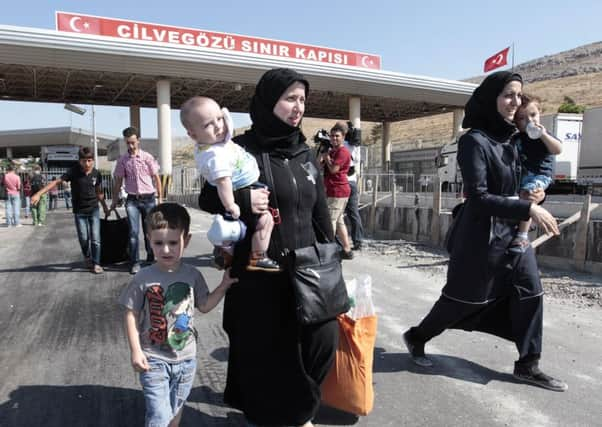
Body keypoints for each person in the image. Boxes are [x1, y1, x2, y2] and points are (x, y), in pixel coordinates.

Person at [403, 71, 568, 392]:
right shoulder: (473, 141)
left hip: (514, 237)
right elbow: (477, 198)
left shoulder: (515, 140)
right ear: (490, 98)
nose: (515, 102)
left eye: (519, 96)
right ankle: (418, 336)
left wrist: (536, 196)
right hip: (480, 238)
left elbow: (531, 177)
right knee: (461, 301)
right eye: (508, 94)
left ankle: (528, 364)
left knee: (530, 292)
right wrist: (527, 209)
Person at [198, 68, 337, 427]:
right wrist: (244, 198)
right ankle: (291, 415)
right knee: (270, 350)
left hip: (309, 268)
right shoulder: (240, 149)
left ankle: (299, 406)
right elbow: (207, 197)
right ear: (267, 101)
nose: (298, 107)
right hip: (261, 271)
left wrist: (334, 263)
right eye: (290, 98)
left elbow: (320, 210)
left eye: (303, 99)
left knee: (323, 341)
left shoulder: (304, 153)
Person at [119, 203, 236, 427]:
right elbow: (131, 313)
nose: (166, 250)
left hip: (186, 359)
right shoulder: (143, 277)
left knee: (175, 407)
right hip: (153, 359)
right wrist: (135, 351)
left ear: (187, 240)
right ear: (149, 239)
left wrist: (222, 286)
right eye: (159, 243)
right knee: (159, 416)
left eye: (173, 242)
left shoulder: (193, 275)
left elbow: (204, 305)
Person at [180, 96, 280, 272]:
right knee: (265, 220)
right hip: (244, 187)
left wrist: (220, 115)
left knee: (237, 229)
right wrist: (232, 204)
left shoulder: (218, 141)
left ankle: (224, 252)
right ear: (193, 134)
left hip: (247, 186)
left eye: (219, 119)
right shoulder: (214, 155)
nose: (218, 126)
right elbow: (223, 182)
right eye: (208, 125)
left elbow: (225, 120)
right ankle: (258, 257)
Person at [31, 147, 109, 274]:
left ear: (93, 161)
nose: (87, 164)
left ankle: (96, 263)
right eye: (84, 161)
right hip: (79, 212)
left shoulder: (96, 174)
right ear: (79, 161)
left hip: (94, 209)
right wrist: (39, 193)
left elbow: (99, 192)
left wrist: (105, 207)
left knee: (96, 239)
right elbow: (56, 182)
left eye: (90, 160)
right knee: (84, 238)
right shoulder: (73, 172)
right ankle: (87, 256)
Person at [509, 94, 562, 253]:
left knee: (529, 195)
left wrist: (543, 135)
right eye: (523, 118)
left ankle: (522, 236)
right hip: (522, 175)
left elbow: (557, 149)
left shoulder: (544, 134)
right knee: (517, 196)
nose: (530, 121)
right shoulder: (517, 138)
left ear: (540, 114)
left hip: (540, 175)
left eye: (533, 115)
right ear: (516, 123)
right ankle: (524, 222)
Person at [111, 126, 163, 275]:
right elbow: (118, 182)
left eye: (133, 142)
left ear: (138, 141)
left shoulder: (147, 157)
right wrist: (114, 200)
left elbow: (157, 178)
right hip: (132, 200)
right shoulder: (122, 160)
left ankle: (151, 258)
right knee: (133, 232)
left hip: (149, 199)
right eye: (128, 143)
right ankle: (135, 262)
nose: (131, 146)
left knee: (150, 231)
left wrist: (160, 198)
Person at [320, 121, 354, 259]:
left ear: (343, 137)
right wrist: (323, 153)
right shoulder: (332, 151)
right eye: (332, 136)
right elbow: (318, 165)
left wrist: (327, 159)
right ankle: (346, 249)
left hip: (338, 190)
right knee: (339, 221)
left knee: (330, 221)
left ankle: (328, 251)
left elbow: (334, 169)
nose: (334, 138)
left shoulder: (343, 152)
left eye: (337, 136)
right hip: (333, 189)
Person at [344, 136, 364, 250]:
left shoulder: (340, 146)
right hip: (352, 182)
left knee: (336, 214)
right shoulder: (355, 147)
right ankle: (358, 241)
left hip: (342, 182)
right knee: (354, 213)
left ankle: (337, 241)